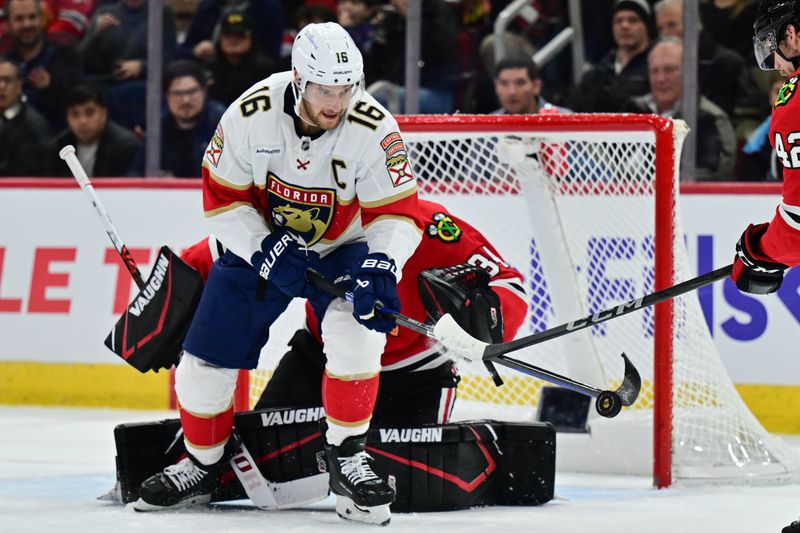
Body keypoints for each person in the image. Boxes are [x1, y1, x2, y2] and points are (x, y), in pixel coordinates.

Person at [133, 22, 425, 526]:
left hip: (344, 246)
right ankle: (202, 464)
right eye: (324, 90)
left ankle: (347, 456)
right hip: (261, 244)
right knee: (202, 363)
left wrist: (383, 261)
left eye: (345, 89)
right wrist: (261, 246)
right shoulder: (251, 113)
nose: (336, 102)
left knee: (356, 338)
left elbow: (398, 213)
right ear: (297, 79)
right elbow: (221, 200)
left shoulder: (376, 128)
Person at [180, 199, 529, 426]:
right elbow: (232, 246)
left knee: (408, 485)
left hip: (415, 376)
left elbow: (507, 283)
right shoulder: (312, 214)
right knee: (261, 462)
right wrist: (174, 293)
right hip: (318, 361)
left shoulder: (430, 224)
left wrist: (484, 318)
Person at [743, 6, 800, 526]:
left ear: (792, 35)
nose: (775, 65)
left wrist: (761, 249)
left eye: (772, 49)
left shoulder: (796, 99)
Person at [621, 38, 737, 181]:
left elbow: (713, 174)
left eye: (669, 70)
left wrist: (658, 185)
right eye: (654, 71)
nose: (661, 78)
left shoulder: (708, 118)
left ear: (689, 73)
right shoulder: (633, 111)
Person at [3, 0, 84, 129]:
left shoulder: (64, 52)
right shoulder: (4, 61)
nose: (27, 24)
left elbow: (79, 100)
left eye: (32, 17)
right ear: (8, 25)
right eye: (19, 19)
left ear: (41, 19)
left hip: (57, 139)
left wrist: (49, 87)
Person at [569, 0, 653, 113]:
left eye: (633, 20)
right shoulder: (598, 71)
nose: (624, 26)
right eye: (618, 21)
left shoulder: (657, 68)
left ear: (646, 26)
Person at [45, 84, 141, 177]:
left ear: (104, 114)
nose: (82, 121)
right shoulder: (58, 148)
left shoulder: (125, 147)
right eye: (75, 114)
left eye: (89, 113)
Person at [206, 7, 277, 106]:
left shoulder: (266, 70)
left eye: (240, 34)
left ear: (251, 38)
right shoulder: (210, 67)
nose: (233, 40)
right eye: (228, 34)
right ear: (220, 38)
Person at [0, 57, 52, 176]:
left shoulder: (34, 126)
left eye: (7, 80)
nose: (1, 86)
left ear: (19, 86)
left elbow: (29, 171)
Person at [492, 57, 571, 115]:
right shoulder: (487, 126)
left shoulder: (567, 120)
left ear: (536, 86)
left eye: (520, 83)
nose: (512, 92)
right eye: (504, 83)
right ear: (496, 86)